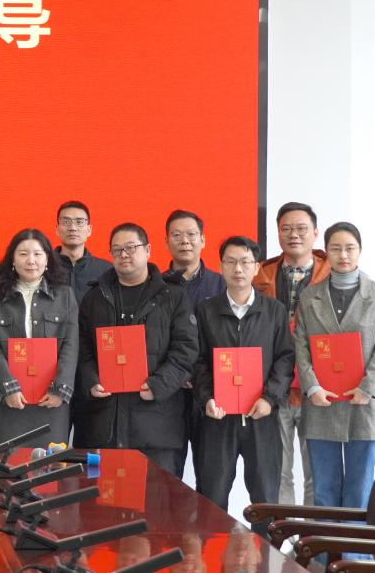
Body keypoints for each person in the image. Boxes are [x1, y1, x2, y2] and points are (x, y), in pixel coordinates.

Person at [75, 222, 199, 474]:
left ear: (148, 250)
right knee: (102, 497)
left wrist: (158, 385)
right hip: (104, 424)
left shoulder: (172, 296)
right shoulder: (94, 297)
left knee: (156, 496)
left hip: (156, 425)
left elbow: (186, 350)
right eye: (117, 250)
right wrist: (91, 380)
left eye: (131, 247)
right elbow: (82, 348)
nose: (124, 254)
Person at [194, 236, 294, 529]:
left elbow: (285, 358)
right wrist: (207, 398)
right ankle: (213, 552)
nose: (238, 269)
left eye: (245, 262)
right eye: (231, 262)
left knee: (265, 499)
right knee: (212, 497)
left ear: (256, 267)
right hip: (219, 418)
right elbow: (197, 361)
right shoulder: (205, 310)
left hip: (261, 417)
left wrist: (270, 398)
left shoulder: (274, 310)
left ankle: (266, 553)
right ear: (221, 266)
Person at [295, 222, 375, 510]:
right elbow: (301, 344)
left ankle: (353, 542)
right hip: (321, 401)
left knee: (359, 490)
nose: (343, 255)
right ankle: (324, 542)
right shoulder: (309, 296)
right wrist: (311, 386)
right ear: (326, 252)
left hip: (363, 402)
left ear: (360, 250)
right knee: (323, 490)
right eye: (335, 248)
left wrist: (367, 387)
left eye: (350, 248)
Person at [253, 201, 330, 506]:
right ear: (278, 233)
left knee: (317, 473)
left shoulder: (332, 273)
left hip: (318, 389)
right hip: (274, 387)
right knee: (278, 472)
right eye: (286, 229)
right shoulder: (261, 275)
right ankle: (282, 532)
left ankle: (313, 534)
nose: (293, 234)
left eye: (301, 228)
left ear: (315, 232)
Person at [0, 228, 78, 444]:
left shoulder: (64, 296)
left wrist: (60, 389)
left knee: (51, 461)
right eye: (23, 254)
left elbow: (71, 345)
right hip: (11, 400)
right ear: (12, 260)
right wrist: (7, 388)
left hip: (51, 398)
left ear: (47, 260)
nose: (31, 260)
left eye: (37, 254)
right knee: (10, 461)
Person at [161, 209, 225, 480]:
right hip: (169, 395)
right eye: (176, 235)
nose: (184, 240)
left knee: (211, 478)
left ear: (203, 240)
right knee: (166, 477)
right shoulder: (156, 286)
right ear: (166, 241)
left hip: (210, 393)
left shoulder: (222, 285)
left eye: (191, 234)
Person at [54, 200, 113, 303]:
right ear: (57, 229)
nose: (73, 228)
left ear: (89, 230)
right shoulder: (43, 267)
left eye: (79, 222)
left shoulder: (107, 271)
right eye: (66, 222)